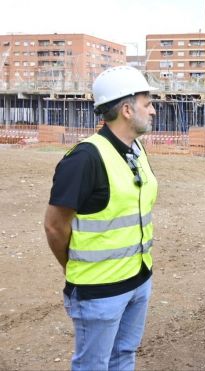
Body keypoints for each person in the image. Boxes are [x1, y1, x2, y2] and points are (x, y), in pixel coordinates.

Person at [44, 65, 158, 370]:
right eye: (147, 103)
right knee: (93, 365)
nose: (154, 110)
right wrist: (75, 266)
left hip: (138, 279)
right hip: (99, 292)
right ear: (126, 109)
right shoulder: (85, 158)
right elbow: (55, 226)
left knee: (124, 357)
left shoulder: (135, 149)